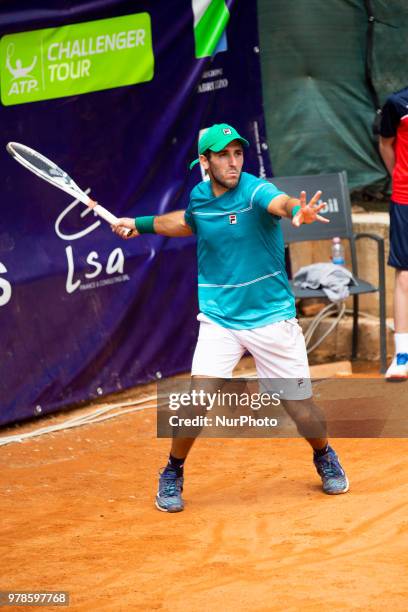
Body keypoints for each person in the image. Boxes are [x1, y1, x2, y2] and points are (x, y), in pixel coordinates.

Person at [112, 123, 349, 512]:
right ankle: (172, 470)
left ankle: (323, 454)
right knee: (197, 399)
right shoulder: (200, 196)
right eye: (223, 155)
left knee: (300, 408)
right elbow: (187, 222)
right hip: (221, 319)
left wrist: (296, 210)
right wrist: (136, 225)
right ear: (205, 162)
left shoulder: (255, 189)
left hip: (271, 316)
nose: (233, 162)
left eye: (238, 153)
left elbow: (279, 202)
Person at [379, 88, 408, 380]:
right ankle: (402, 356)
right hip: (405, 197)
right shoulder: (397, 103)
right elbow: (386, 144)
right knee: (405, 275)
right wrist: (399, 174)